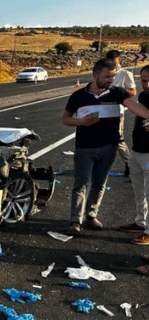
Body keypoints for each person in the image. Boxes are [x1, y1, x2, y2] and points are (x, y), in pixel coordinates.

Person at [61, 58, 149, 235]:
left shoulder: (117, 93)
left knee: (100, 183)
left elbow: (133, 107)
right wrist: (82, 122)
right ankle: (75, 220)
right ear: (95, 75)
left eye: (113, 76)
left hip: (108, 147)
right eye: (107, 76)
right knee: (81, 184)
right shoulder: (78, 96)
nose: (111, 80)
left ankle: (91, 215)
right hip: (84, 147)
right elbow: (65, 119)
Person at [118, 65, 149, 245]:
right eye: (144, 80)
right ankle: (141, 222)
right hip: (138, 150)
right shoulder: (144, 95)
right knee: (139, 191)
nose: (147, 84)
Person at [105, 50, 137, 177]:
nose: (112, 65)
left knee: (118, 140)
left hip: (117, 112)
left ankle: (129, 163)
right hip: (102, 110)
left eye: (114, 63)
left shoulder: (125, 74)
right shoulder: (104, 72)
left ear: (119, 61)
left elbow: (133, 91)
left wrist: (118, 90)